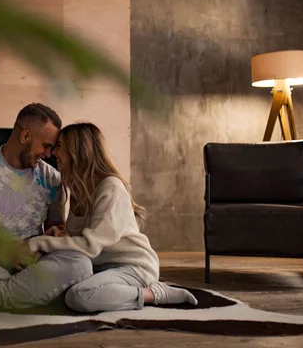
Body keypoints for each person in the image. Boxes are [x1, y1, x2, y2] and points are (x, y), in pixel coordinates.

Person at [28, 123, 198, 312]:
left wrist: (38, 242)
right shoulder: (79, 189)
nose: (52, 153)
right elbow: (84, 237)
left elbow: (89, 246)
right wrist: (59, 234)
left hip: (134, 267)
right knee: (62, 290)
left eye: (59, 146)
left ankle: (156, 294)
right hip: (102, 267)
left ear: (78, 150)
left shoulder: (111, 188)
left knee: (79, 296)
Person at [0, 103, 92, 314]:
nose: (49, 153)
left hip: (31, 263)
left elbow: (55, 227)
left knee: (81, 264)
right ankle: (29, 292)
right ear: (25, 137)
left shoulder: (51, 179)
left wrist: (54, 234)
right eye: (46, 145)